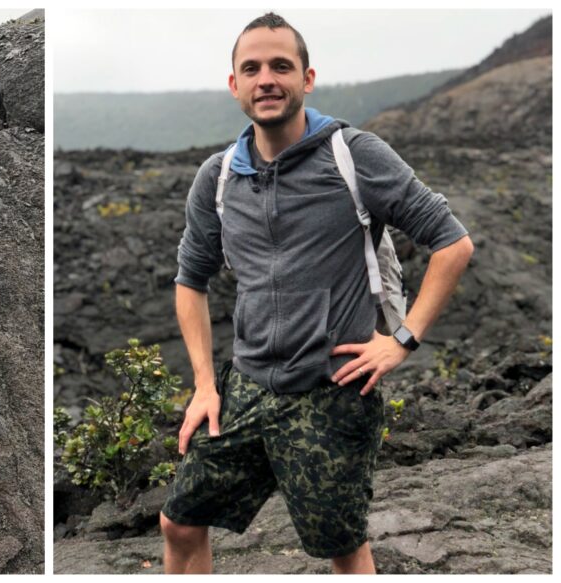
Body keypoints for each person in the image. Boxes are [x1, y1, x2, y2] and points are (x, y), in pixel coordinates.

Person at [159, 13, 473, 574]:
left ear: (308, 77)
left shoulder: (355, 155)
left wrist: (401, 339)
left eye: (282, 66)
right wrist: (205, 385)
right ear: (234, 85)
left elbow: (452, 242)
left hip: (331, 394)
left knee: (342, 548)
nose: (267, 80)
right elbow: (191, 280)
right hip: (247, 388)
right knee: (179, 522)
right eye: (251, 69)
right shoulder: (219, 177)